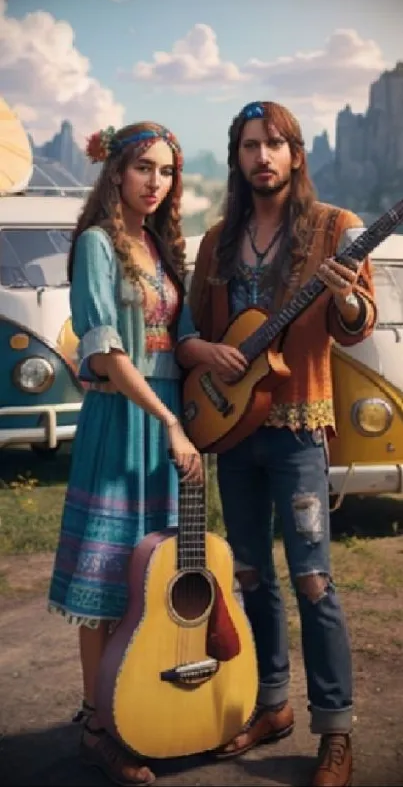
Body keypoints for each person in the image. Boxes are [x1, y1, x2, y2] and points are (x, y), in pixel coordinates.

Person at [176, 101, 377, 787]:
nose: (261, 156)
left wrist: (346, 297)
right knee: (251, 575)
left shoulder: (336, 229)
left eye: (274, 144)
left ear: (295, 153)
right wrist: (204, 353)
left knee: (312, 577)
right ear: (235, 158)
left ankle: (335, 729)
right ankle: (271, 704)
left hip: (297, 430)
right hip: (231, 433)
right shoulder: (215, 242)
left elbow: (354, 325)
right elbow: (196, 333)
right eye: (248, 145)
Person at [48, 121, 202, 787]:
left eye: (165, 171)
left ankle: (140, 706)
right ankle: (95, 723)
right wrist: (169, 418)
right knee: (110, 583)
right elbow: (106, 352)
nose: (155, 181)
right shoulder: (97, 245)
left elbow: (185, 337)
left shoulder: (162, 249)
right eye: (143, 167)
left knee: (157, 583)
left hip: (170, 434)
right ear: (114, 170)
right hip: (125, 424)